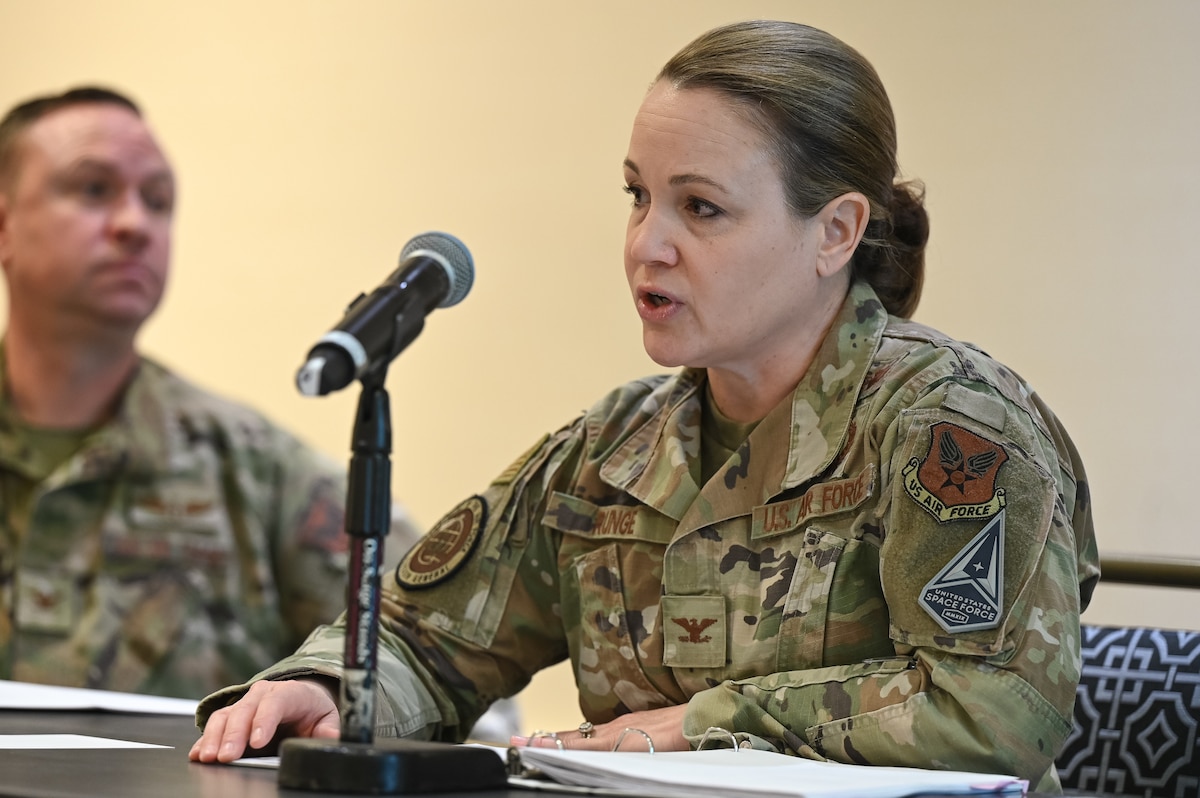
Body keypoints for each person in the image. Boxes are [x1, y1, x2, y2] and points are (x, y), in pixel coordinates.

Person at [190, 20, 1098, 791]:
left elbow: (990, 713)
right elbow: (428, 640)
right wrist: (331, 687)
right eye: (638, 196)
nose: (646, 246)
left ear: (836, 232)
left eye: (700, 208)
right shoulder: (615, 446)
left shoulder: (953, 431)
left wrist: (700, 724)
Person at [0, 86, 417, 699]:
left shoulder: (255, 468)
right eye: (93, 189)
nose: (134, 224)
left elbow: (429, 650)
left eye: (159, 201)